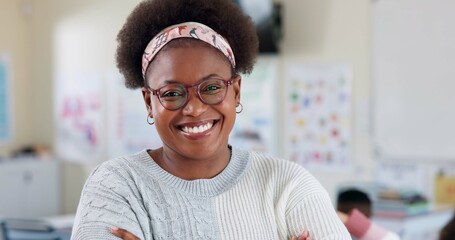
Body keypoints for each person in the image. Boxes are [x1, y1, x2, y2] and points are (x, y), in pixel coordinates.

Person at [70, 0, 351, 239]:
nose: (193, 108)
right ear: (149, 102)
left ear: (236, 91)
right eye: (171, 93)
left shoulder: (289, 186)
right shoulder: (116, 186)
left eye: (212, 88)